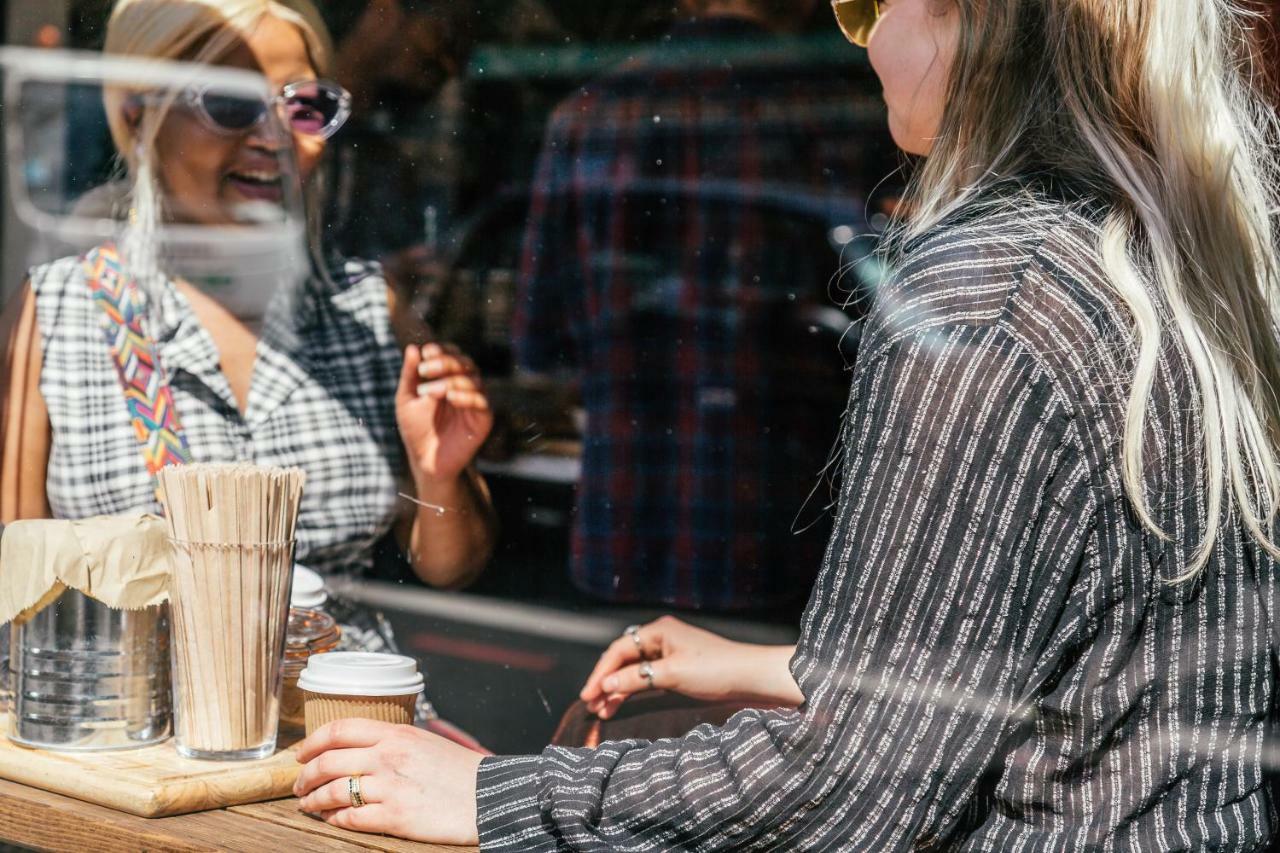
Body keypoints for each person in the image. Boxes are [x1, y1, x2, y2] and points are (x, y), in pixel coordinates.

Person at [293, 0, 1280, 847]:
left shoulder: (988, 293)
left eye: (864, 3)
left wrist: (489, 792)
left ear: (971, 19)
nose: (855, 42)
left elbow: (851, 788)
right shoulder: (1164, 255)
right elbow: (1098, 658)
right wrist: (794, 668)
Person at [0, 0, 496, 592]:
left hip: (332, 684)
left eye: (305, 107)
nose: (273, 138)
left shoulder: (369, 307)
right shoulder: (59, 311)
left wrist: (440, 477)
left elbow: (451, 565)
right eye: (231, 103)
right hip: (135, 682)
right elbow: (17, 584)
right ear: (138, 118)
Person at [513, 0, 870, 614]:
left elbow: (538, 341)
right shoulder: (841, 116)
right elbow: (879, 327)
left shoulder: (587, 115)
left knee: (625, 697)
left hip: (624, 524)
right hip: (780, 529)